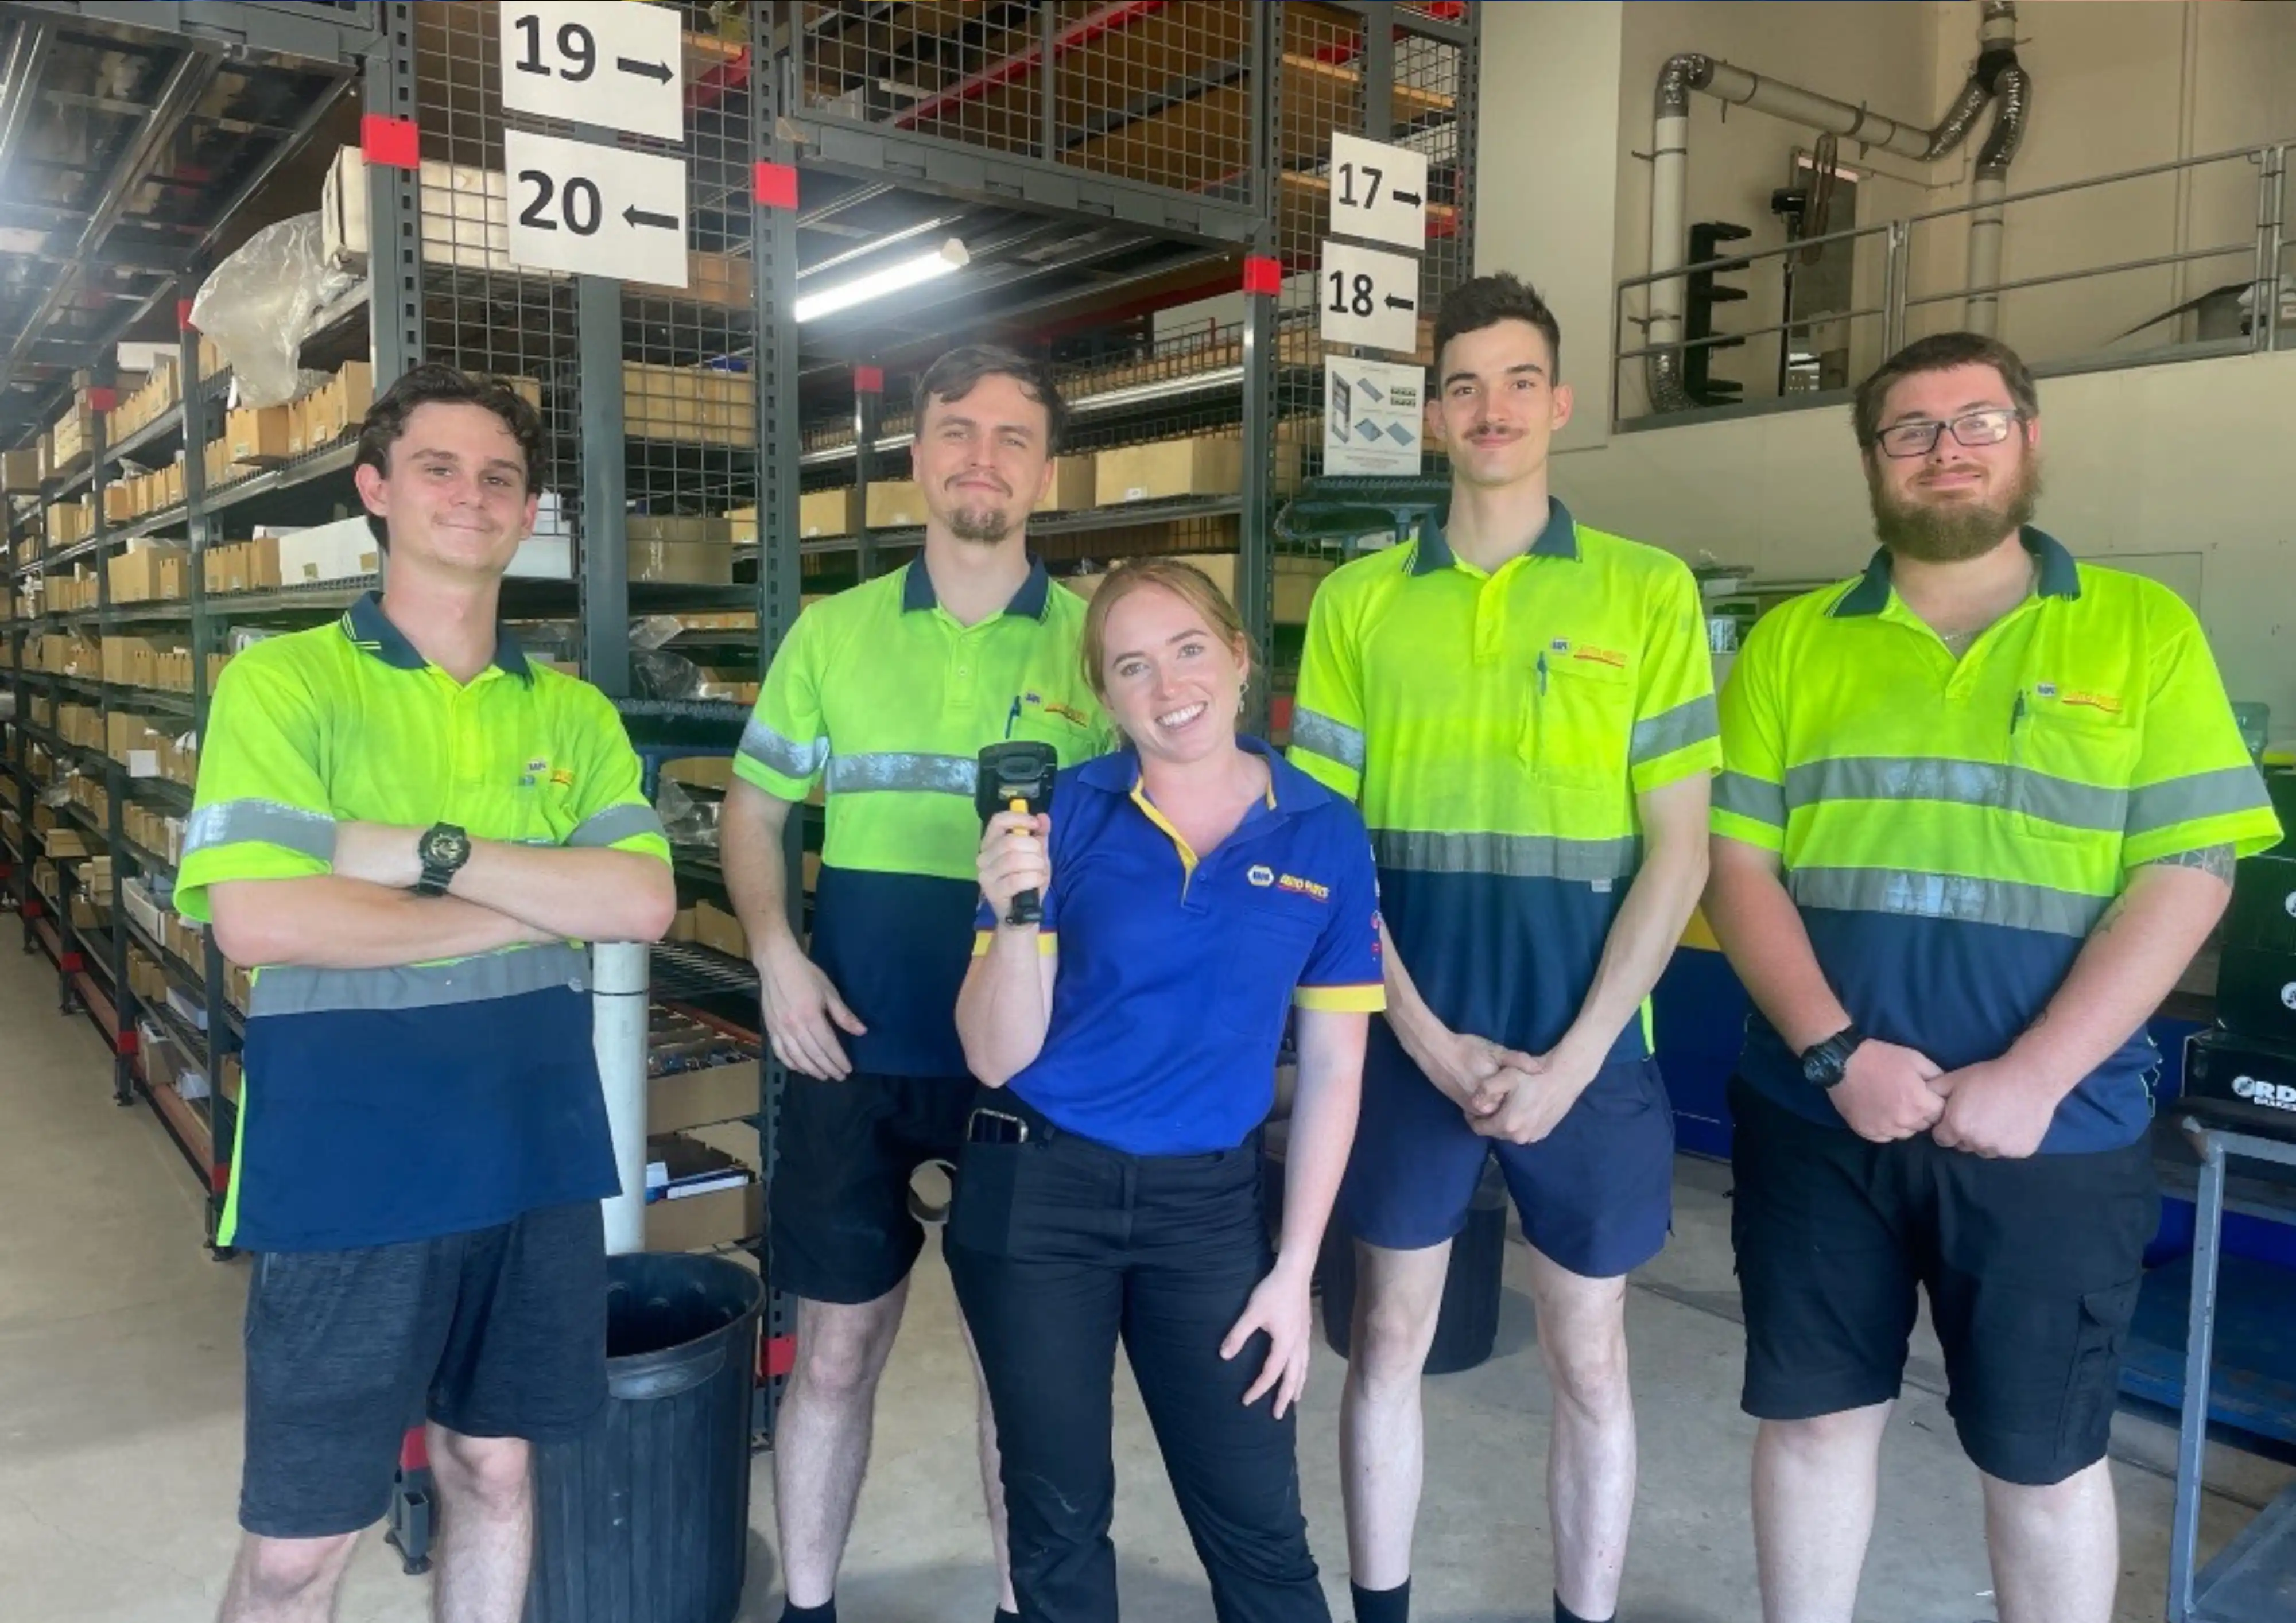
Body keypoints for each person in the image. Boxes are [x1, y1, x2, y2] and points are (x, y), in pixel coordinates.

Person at [1704, 330, 2283, 1623]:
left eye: (1976, 420)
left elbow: (2189, 873)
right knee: (1812, 1426)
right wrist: (1833, 1055)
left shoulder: (2141, 629)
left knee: (2043, 1462)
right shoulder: (1793, 644)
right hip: (1819, 1123)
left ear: (2028, 438)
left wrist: (2033, 1075)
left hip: (2056, 1135)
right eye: (1909, 429)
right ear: (1873, 460)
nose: (1945, 449)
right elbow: (1736, 870)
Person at [179, 362, 678, 1623]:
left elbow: (639, 902)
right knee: (301, 1545)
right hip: (346, 1167)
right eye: (438, 468)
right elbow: (259, 918)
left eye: (500, 477)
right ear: (375, 491)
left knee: (494, 1470)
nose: (472, 495)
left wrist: (415, 853)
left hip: (532, 1157)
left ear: (529, 511)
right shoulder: (284, 684)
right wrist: (532, 895)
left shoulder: (573, 712)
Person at [1288, 273, 1719, 1623]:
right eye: (1463, 385)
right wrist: (1421, 1038)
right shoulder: (1356, 603)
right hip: (1402, 1038)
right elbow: (1326, 856)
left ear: (1560, 403)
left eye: (1517, 380)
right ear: (1430, 415)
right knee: (1387, 1339)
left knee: (1588, 1358)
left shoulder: (1645, 592)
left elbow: (1680, 853)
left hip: (1587, 1053)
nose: (1491, 407)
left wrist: (1574, 1060)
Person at [721, 345, 1110, 1623]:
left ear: (1046, 471)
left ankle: (1018, 1607)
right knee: (835, 1351)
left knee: (1020, 1378)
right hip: (854, 1049)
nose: (980, 458)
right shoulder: (831, 633)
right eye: (956, 431)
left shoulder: (1101, 644)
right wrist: (775, 954)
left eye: (1012, 436)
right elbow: (753, 807)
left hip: (1034, 1066)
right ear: (916, 455)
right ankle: (809, 1608)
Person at [950, 558, 1380, 1622]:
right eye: (1132, 665)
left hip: (1208, 1213)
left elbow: (1335, 1068)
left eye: (1189, 649)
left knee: (1261, 1530)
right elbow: (995, 1056)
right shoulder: (1065, 817)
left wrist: (1294, 1273)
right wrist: (1015, 915)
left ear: (1239, 657)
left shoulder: (1324, 831)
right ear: (1105, 696)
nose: (1168, 685)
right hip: (1041, 1193)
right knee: (1056, 1520)